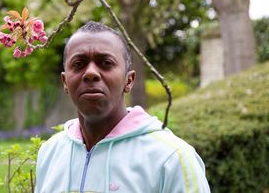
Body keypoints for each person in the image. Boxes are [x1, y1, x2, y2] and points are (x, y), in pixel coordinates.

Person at [35, 21, 210, 193]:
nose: (90, 73)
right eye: (79, 64)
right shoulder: (50, 153)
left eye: (106, 63)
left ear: (129, 80)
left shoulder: (171, 158)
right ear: (65, 82)